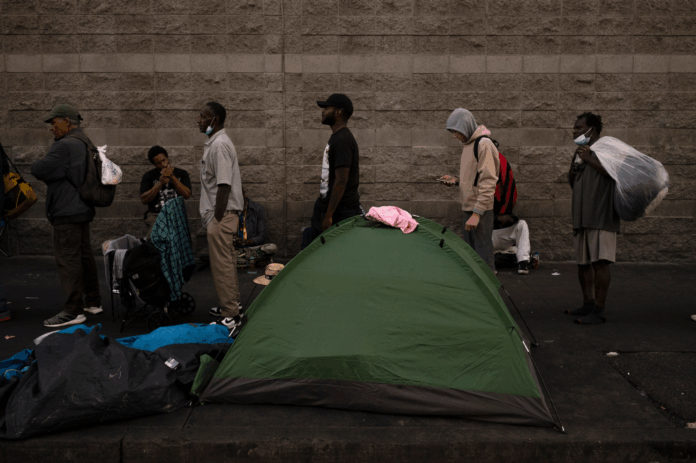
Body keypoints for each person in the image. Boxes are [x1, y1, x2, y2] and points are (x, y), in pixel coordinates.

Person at [31, 104, 102, 328]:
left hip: (67, 210)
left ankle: (73, 311)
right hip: (82, 208)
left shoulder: (64, 145)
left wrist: (42, 165)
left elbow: (39, 169)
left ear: (67, 122)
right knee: (84, 256)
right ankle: (93, 302)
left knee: (68, 261)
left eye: (54, 123)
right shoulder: (85, 141)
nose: (51, 128)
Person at [566, 112, 619, 325]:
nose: (575, 132)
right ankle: (587, 303)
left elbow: (613, 172)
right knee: (583, 264)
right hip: (581, 216)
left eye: (579, 128)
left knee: (600, 263)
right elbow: (573, 179)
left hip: (600, 215)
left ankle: (599, 310)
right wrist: (577, 164)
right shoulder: (579, 152)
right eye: (575, 128)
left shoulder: (607, 148)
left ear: (592, 129)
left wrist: (589, 158)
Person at [197, 101, 245, 331]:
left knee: (222, 266)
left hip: (222, 216)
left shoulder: (219, 145)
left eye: (203, 116)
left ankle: (231, 316)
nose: (199, 120)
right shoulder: (217, 143)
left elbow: (224, 185)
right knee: (227, 263)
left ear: (214, 120)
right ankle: (233, 306)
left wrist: (216, 219)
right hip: (224, 215)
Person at [439, 108, 500, 272]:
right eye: (452, 132)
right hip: (469, 209)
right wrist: (456, 181)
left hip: (480, 211)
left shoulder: (483, 144)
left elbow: (488, 181)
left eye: (456, 131)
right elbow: (475, 179)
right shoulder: (468, 145)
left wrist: (477, 214)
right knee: (472, 258)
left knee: (483, 259)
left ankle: (490, 287)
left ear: (465, 126)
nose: (454, 135)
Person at [301, 94, 362, 249]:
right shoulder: (337, 137)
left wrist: (329, 216)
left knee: (336, 252)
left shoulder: (342, 140)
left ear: (338, 112)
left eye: (327, 108)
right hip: (329, 207)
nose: (323, 111)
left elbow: (341, 180)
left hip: (340, 211)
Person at [490, 151, 531, 274]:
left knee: (522, 224)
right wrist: (496, 219)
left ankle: (523, 262)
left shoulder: (508, 187)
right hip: (488, 235)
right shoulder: (483, 186)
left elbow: (509, 208)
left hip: (504, 234)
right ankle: (490, 263)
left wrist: (509, 218)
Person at [139, 145, 191, 238]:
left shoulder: (181, 173)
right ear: (155, 165)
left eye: (163, 160)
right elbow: (144, 200)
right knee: (157, 232)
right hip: (155, 214)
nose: (163, 164)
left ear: (167, 158)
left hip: (176, 213)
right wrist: (160, 183)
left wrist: (172, 177)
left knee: (179, 237)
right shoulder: (149, 176)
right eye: (158, 163)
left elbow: (187, 194)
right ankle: (150, 245)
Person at [235, 188, 277, 268]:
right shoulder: (231, 210)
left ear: (243, 193)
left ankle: (244, 262)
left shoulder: (257, 209)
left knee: (272, 247)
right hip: (237, 250)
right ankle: (254, 261)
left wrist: (245, 242)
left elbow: (262, 236)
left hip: (252, 249)